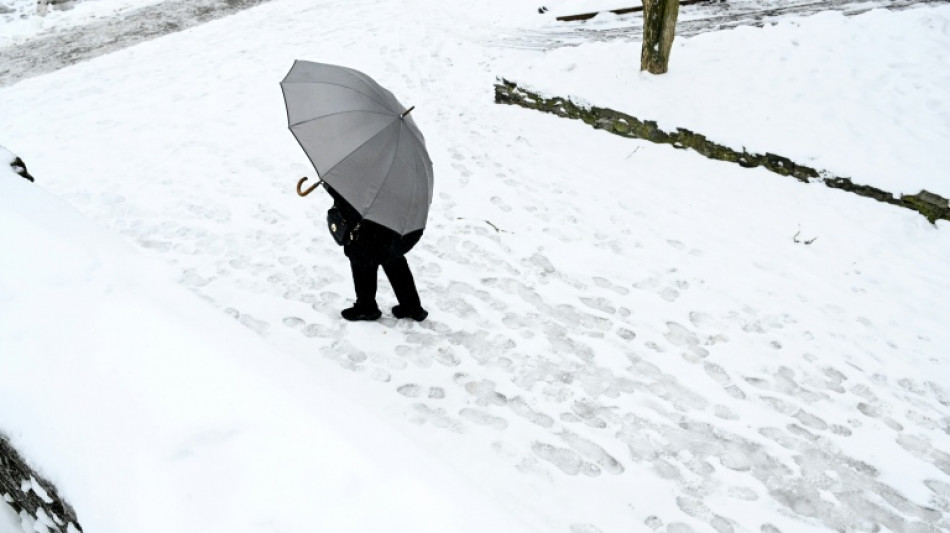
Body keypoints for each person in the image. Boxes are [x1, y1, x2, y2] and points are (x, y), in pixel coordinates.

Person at [324, 182, 428, 322]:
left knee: (362, 259)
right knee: (393, 259)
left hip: (368, 225)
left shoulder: (366, 173)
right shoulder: (404, 175)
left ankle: (366, 308)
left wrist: (331, 187)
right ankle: (412, 307)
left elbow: (351, 195)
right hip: (392, 224)